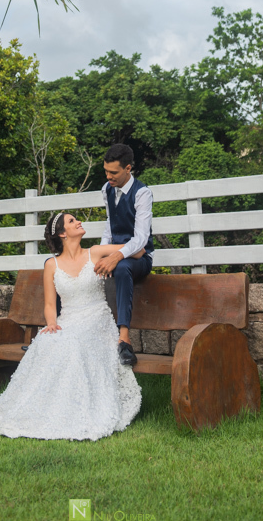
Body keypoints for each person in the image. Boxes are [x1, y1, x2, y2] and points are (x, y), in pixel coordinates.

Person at [0, 211, 142, 441]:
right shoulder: (51, 265)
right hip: (67, 319)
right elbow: (50, 304)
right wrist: (51, 322)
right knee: (49, 340)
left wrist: (116, 257)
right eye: (72, 221)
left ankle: (77, 407)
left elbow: (139, 250)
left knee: (73, 344)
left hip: (96, 318)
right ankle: (44, 407)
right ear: (63, 233)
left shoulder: (95, 252)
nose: (79, 222)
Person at [95, 144, 154, 367]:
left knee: (121, 267)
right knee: (85, 269)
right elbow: (110, 227)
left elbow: (140, 239)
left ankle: (124, 338)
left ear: (128, 168)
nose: (108, 176)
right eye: (106, 171)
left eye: (114, 172)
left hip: (141, 258)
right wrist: (102, 254)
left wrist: (116, 256)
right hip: (116, 253)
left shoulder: (142, 193)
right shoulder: (106, 189)